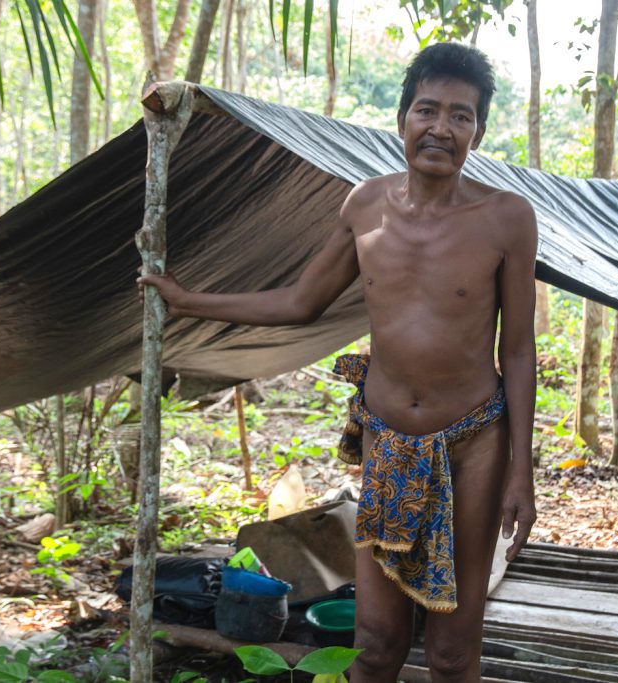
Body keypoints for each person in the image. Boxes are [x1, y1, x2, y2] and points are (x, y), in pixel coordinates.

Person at [139, 42, 537, 683]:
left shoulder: (506, 219)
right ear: (403, 118)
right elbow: (301, 301)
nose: (441, 128)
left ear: (478, 132)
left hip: (475, 445)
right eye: (428, 110)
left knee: (453, 650)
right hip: (386, 440)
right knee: (376, 644)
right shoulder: (366, 206)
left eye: (460, 116)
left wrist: (522, 471)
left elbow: (517, 350)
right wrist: (188, 300)